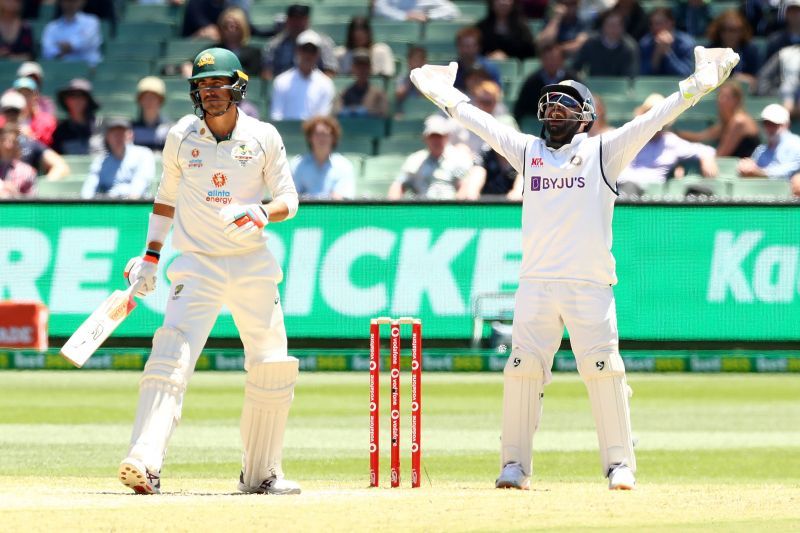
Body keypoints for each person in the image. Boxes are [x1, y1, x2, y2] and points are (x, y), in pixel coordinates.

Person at [409, 45, 740, 490]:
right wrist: (446, 97)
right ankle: (514, 466)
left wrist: (696, 87)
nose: (555, 107)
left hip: (590, 285)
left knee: (604, 370)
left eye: (567, 101)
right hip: (536, 285)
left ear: (585, 114)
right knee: (522, 369)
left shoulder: (606, 150)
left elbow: (653, 119)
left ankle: (620, 465)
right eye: (551, 101)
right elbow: (482, 125)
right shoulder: (529, 151)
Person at [118, 47, 301, 496]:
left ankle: (261, 473)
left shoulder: (263, 136)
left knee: (272, 363)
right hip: (197, 263)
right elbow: (165, 199)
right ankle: (144, 461)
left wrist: (261, 212)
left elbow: (289, 200)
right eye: (202, 86)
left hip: (251, 263)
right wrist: (151, 257)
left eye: (218, 85)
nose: (210, 94)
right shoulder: (182, 135)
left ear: (237, 87)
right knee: (170, 354)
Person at [616, 93, 718, 195]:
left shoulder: (671, 141)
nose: (654, 120)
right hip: (625, 188)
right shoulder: (631, 137)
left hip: (653, 195)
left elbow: (705, 150)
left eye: (658, 116)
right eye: (651, 115)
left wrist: (707, 159)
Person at [388, 114, 474, 199]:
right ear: (425, 138)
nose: (436, 141)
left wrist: (457, 207)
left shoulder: (457, 158)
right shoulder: (415, 160)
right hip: (420, 209)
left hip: (449, 209)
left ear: (447, 137)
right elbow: (398, 185)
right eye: (432, 136)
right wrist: (393, 206)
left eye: (440, 136)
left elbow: (464, 187)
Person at [675, 81, 761, 158]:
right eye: (720, 96)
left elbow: (721, 155)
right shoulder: (726, 123)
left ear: (736, 100)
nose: (721, 100)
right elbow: (700, 137)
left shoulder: (739, 121)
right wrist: (675, 133)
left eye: (726, 97)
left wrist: (706, 161)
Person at [0, 91, 71, 180]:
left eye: (15, 112)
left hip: (26, 191)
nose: (11, 116)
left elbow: (61, 167)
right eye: (7, 112)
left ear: (23, 113)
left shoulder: (30, 143)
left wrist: (40, 186)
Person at [80, 117, 155, 199]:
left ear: (130, 135)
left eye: (122, 133)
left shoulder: (143, 154)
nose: (118, 137)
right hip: (109, 207)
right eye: (114, 133)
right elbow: (88, 190)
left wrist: (129, 202)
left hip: (136, 206)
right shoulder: (100, 162)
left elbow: (139, 185)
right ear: (107, 137)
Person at [270, 30, 335, 121]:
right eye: (305, 50)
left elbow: (322, 118)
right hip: (286, 133)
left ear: (318, 54)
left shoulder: (326, 83)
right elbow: (276, 115)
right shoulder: (281, 81)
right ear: (297, 51)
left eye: (312, 51)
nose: (308, 55)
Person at [261, 4, 337, 80]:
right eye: (294, 19)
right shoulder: (275, 44)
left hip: (313, 87)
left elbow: (330, 71)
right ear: (288, 20)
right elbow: (267, 72)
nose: (297, 23)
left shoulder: (322, 42)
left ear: (307, 20)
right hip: (284, 88)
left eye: (301, 19)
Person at [290, 115, 355, 199]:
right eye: (317, 134)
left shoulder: (344, 166)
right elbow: (291, 198)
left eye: (326, 134)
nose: (321, 138)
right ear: (310, 138)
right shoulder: (296, 164)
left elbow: (343, 198)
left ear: (334, 138)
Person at [513, 44, 581, 124]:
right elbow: (520, 109)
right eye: (547, 59)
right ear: (541, 60)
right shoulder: (532, 82)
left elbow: (581, 105)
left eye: (554, 59)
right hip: (537, 128)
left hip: (567, 126)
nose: (550, 62)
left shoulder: (573, 80)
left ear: (562, 60)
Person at [737, 103, 800, 180]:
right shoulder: (760, 150)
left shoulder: (796, 144)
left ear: (786, 125)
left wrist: (760, 173)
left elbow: (788, 173)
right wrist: (746, 167)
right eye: (766, 123)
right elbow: (753, 169)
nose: (770, 128)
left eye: (774, 124)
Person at [572, 9, 639, 78]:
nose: (613, 29)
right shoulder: (591, 43)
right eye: (610, 25)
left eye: (617, 25)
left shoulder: (630, 47)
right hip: (594, 86)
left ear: (623, 27)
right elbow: (575, 68)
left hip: (620, 87)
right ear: (603, 26)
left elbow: (631, 76)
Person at [706, 9, 761, 89]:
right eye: (725, 29)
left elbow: (757, 79)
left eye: (735, 30)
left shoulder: (750, 50)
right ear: (719, 31)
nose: (730, 34)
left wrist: (742, 78)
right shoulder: (710, 50)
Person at [41, 0, 103, 66]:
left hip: (89, 70)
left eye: (74, 1)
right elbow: (47, 51)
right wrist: (61, 52)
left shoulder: (92, 21)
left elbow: (86, 42)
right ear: (61, 2)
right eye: (67, 1)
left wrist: (67, 46)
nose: (70, 4)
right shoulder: (52, 27)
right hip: (60, 69)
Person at [639, 7, 695, 77]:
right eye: (651, 24)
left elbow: (686, 74)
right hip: (652, 86)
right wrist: (657, 55)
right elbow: (642, 76)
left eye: (659, 23)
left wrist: (668, 52)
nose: (655, 27)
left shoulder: (686, 43)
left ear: (671, 23)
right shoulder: (645, 43)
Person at [333, 49, 389, 118]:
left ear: (370, 68)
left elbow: (383, 113)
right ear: (353, 68)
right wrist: (349, 112)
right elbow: (336, 111)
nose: (362, 70)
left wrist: (367, 113)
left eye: (365, 66)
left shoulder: (379, 94)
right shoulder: (345, 93)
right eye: (358, 66)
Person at [52, 78, 102, 155]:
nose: (77, 100)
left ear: (88, 100)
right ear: (66, 100)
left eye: (81, 96)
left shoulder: (101, 126)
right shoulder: (60, 131)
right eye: (72, 96)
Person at [11, 77, 57, 148]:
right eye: (20, 94)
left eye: (27, 94)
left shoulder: (47, 121)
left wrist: (29, 135)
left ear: (35, 96)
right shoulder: (5, 119)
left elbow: (45, 146)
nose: (23, 98)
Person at [132, 77, 174, 152]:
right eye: (145, 97)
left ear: (160, 100)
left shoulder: (169, 128)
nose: (149, 101)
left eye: (153, 97)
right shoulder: (131, 129)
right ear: (140, 100)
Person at [0, 124, 37, 198]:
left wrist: (15, 194)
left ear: (18, 146)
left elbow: (32, 204)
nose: (8, 145)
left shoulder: (27, 172)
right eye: (3, 140)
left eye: (13, 142)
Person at [373, 0, 460, 22]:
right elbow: (378, 7)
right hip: (392, 35)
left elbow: (452, 11)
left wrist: (427, 15)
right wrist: (405, 16)